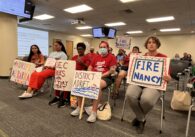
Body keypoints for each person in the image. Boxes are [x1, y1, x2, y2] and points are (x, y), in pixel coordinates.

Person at [125, 36, 171, 134]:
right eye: (149, 42)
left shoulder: (163, 58)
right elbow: (133, 71)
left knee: (147, 100)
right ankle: (141, 119)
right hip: (139, 82)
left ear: (157, 45)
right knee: (129, 94)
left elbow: (168, 76)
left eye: (154, 42)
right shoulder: (140, 57)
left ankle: (139, 118)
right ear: (146, 45)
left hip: (154, 85)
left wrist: (168, 78)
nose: (151, 44)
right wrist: (130, 77)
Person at [71, 41, 117, 123]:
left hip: (106, 77)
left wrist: (100, 76)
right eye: (101, 47)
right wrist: (89, 73)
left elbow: (111, 71)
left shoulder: (112, 57)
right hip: (93, 76)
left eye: (104, 47)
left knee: (97, 85)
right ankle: (79, 107)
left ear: (108, 48)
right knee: (79, 83)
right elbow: (90, 66)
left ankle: (94, 112)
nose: (102, 48)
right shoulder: (96, 57)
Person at [48, 43, 90, 107]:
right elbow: (69, 65)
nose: (79, 50)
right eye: (78, 49)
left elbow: (88, 68)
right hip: (71, 73)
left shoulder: (87, 58)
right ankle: (57, 96)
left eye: (81, 49)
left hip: (79, 75)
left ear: (84, 50)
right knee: (59, 78)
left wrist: (82, 63)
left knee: (67, 80)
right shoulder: (74, 57)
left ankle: (65, 99)